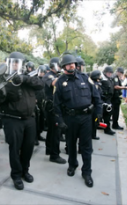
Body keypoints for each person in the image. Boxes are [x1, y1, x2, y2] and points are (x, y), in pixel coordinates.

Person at [0, 52, 44, 190]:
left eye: (17, 62)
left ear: (23, 64)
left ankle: (25, 171)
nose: (15, 64)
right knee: (14, 149)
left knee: (28, 148)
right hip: (12, 120)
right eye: (12, 62)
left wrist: (24, 79)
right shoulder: (4, 79)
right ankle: (16, 175)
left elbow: (40, 85)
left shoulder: (29, 76)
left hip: (30, 119)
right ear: (8, 63)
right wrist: (3, 90)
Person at [54, 54, 102, 188]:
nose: (72, 66)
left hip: (86, 118)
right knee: (71, 144)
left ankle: (87, 172)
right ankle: (72, 165)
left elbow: (96, 96)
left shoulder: (85, 78)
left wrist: (99, 113)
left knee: (86, 147)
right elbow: (56, 104)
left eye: (73, 64)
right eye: (69, 64)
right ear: (63, 66)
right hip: (70, 118)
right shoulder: (60, 82)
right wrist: (60, 120)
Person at [42, 57, 66, 164]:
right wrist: (66, 74)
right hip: (51, 107)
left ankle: (49, 149)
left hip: (54, 106)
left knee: (52, 130)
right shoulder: (49, 75)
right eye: (60, 65)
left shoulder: (56, 75)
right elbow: (54, 83)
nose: (61, 67)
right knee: (56, 131)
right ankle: (54, 155)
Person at [101, 66, 116, 135]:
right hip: (105, 101)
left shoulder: (109, 79)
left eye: (110, 73)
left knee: (107, 116)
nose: (110, 74)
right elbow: (103, 92)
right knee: (105, 117)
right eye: (108, 73)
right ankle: (106, 129)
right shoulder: (103, 80)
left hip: (109, 100)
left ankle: (105, 128)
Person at [90, 70, 103, 140]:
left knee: (95, 121)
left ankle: (93, 134)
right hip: (94, 106)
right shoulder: (94, 85)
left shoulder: (97, 84)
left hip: (95, 105)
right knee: (94, 121)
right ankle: (93, 135)